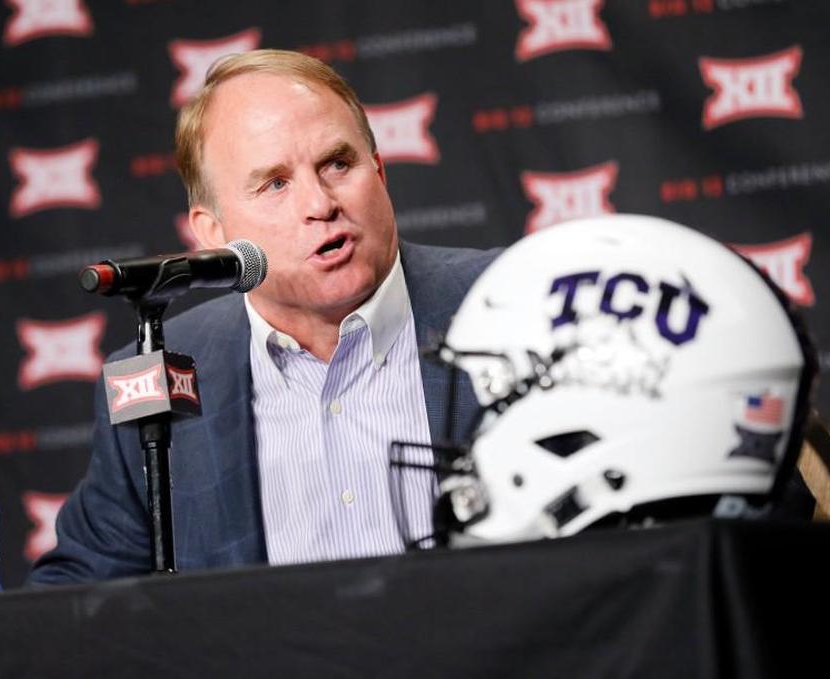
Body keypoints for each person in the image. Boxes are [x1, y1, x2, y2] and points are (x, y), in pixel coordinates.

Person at [28, 50, 500, 583]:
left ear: (379, 170)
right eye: (275, 183)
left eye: (337, 164)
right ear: (212, 232)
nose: (319, 204)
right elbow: (82, 589)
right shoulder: (159, 371)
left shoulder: (510, 299)